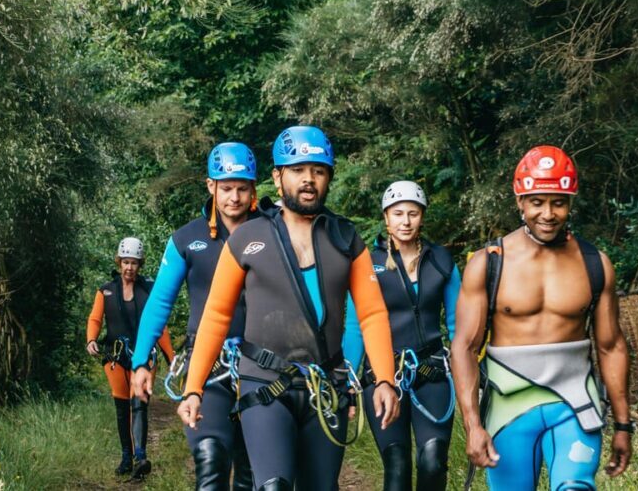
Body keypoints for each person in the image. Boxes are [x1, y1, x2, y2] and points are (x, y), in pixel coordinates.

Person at [177, 126, 401, 491]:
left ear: (328, 178)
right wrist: (194, 389)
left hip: (325, 386)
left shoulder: (346, 238)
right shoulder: (248, 238)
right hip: (264, 382)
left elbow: (372, 314)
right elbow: (216, 316)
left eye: (318, 170)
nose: (309, 179)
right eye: (298, 170)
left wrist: (386, 380)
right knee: (273, 486)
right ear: (278, 178)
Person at [451, 145, 633, 490]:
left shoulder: (595, 264)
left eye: (558, 203)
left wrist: (623, 425)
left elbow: (611, 346)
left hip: (575, 403)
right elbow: (464, 347)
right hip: (508, 408)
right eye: (537, 202)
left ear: (570, 203)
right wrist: (473, 425)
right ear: (520, 202)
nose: (548, 214)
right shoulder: (488, 263)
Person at [131, 142, 258, 490]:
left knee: (252, 473)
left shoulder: (272, 232)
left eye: (242, 189)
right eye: (226, 188)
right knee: (211, 458)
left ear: (253, 189)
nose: (234, 198)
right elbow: (160, 302)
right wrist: (141, 361)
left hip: (262, 365)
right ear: (210, 185)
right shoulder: (187, 239)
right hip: (208, 366)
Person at [345, 180, 461, 490]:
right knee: (397, 466)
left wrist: (469, 375)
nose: (405, 221)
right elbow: (356, 327)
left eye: (413, 213)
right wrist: (347, 382)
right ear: (386, 217)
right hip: (383, 377)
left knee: (433, 462)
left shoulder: (441, 261)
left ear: (422, 217)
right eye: (398, 214)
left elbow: (457, 325)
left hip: (432, 373)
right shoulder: (368, 264)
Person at [86, 237, 175, 478]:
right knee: (122, 407)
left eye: (134, 263)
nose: (129, 267)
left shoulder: (149, 289)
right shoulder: (106, 290)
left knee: (139, 403)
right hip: (115, 356)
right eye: (126, 262)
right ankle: (126, 457)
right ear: (119, 262)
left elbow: (160, 326)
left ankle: (140, 457)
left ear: (140, 264)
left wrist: (171, 357)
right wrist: (91, 339)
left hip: (144, 356)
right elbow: (95, 319)